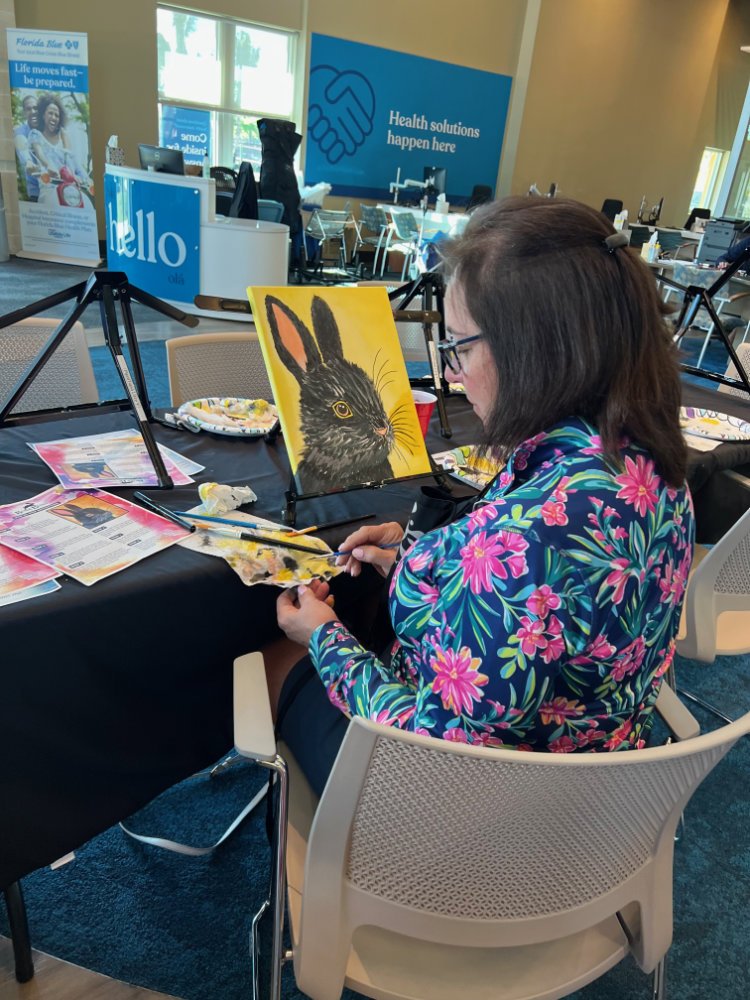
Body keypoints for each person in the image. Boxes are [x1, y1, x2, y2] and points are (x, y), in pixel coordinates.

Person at [264, 196, 695, 796]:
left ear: (533, 350)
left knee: (272, 662)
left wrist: (324, 638)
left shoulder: (532, 532)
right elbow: (539, 607)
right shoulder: (649, 464)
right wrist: (429, 557)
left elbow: (431, 737)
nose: (454, 376)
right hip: (598, 796)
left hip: (471, 821)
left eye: (461, 348)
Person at [28, 93, 92, 204]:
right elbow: (39, 154)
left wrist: (88, 180)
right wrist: (48, 166)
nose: (54, 117)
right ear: (43, 115)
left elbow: (75, 166)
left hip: (70, 193)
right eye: (50, 113)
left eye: (57, 115)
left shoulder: (64, 139)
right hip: (50, 190)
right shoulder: (36, 135)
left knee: (88, 206)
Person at [13, 94, 40, 202]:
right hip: (36, 193)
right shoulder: (20, 131)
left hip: (56, 189)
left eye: (35, 108)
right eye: (28, 109)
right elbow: (21, 144)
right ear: (24, 113)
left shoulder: (47, 129)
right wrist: (28, 161)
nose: (33, 111)